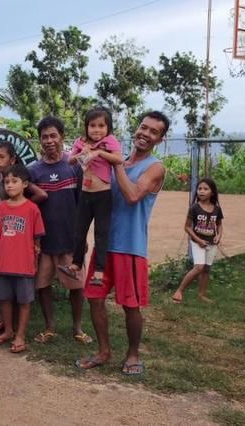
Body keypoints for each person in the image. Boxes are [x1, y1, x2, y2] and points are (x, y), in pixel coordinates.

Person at [76, 111, 170, 376]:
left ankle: (133, 354)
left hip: (131, 248)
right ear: (136, 128)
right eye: (143, 127)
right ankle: (104, 351)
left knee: (131, 305)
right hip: (104, 247)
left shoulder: (155, 167)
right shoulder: (115, 162)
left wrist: (114, 161)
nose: (145, 133)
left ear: (160, 139)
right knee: (93, 298)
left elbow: (131, 196)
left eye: (153, 131)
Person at [28, 116, 93, 345]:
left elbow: (83, 205)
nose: (49, 141)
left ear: (62, 137)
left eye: (53, 135)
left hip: (69, 240)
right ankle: (50, 327)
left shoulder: (74, 167)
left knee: (76, 286)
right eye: (44, 137)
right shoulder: (33, 171)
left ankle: (77, 328)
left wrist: (82, 237)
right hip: (44, 242)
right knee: (43, 285)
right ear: (40, 141)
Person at [0, 141, 46, 337]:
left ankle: (12, 319)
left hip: (19, 239)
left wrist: (23, 208)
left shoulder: (19, 177)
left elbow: (41, 194)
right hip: (5, 238)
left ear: (12, 159)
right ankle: (6, 314)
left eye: (1, 157)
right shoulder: (3, 182)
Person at [58, 107, 122, 286]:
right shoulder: (80, 141)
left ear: (108, 128)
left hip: (103, 195)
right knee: (79, 232)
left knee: (101, 233)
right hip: (85, 195)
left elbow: (119, 159)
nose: (97, 129)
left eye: (101, 125)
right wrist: (82, 153)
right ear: (86, 127)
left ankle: (99, 271)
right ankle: (76, 264)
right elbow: (70, 161)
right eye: (92, 125)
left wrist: (99, 153)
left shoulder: (109, 141)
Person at [0, 164, 45, 354]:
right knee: (3, 298)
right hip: (4, 264)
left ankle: (20, 335)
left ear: (25, 184)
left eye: (14, 181)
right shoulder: (2, 207)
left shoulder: (32, 208)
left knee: (24, 301)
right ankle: (8, 330)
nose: (10, 185)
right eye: (6, 182)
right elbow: (0, 236)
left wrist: (34, 261)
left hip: (24, 265)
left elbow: (37, 239)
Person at [172, 178, 224, 304]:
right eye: (199, 188)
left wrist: (219, 236)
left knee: (206, 269)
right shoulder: (194, 208)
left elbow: (219, 225)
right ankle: (179, 291)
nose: (201, 191)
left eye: (205, 189)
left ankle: (201, 295)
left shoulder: (216, 209)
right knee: (199, 267)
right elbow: (187, 227)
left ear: (212, 192)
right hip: (197, 243)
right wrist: (198, 240)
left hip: (211, 243)